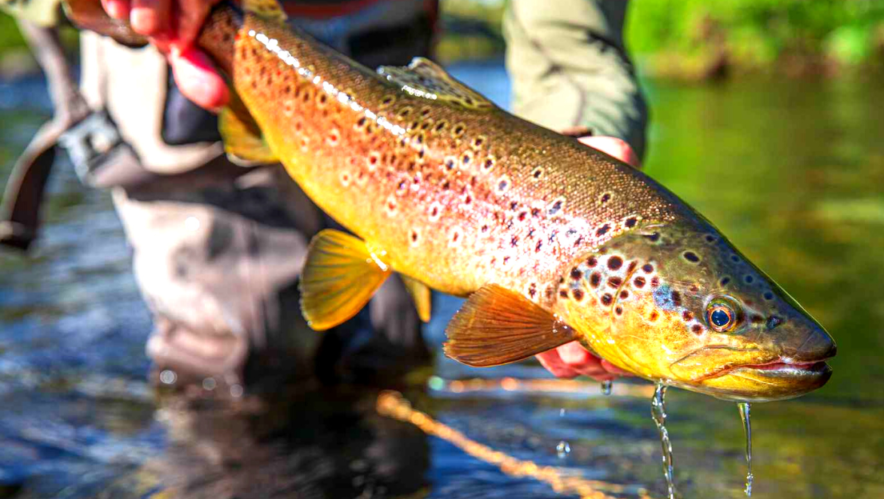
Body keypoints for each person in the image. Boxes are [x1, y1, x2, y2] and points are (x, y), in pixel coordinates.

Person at [66, 0, 647, 389]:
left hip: (394, 53)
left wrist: (573, 129)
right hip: (183, 57)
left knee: (387, 364)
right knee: (233, 367)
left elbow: (571, 31)